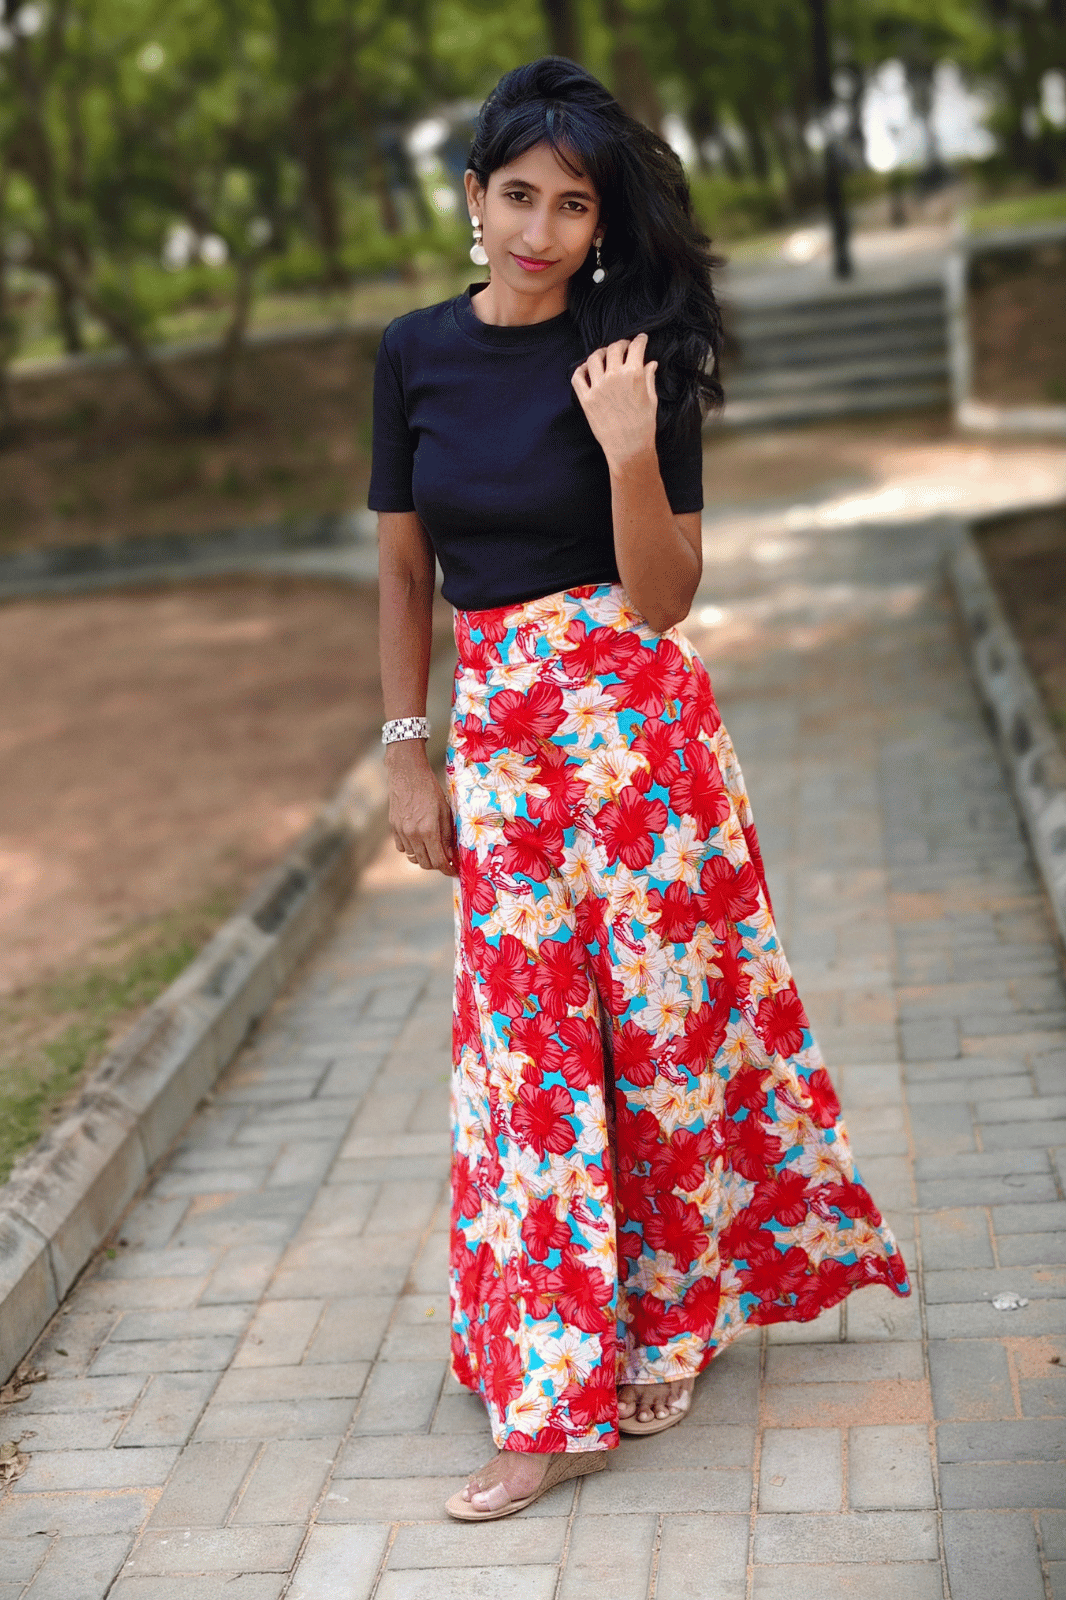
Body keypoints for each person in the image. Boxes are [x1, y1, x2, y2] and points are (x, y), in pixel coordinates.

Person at [368, 56, 911, 1523]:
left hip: (644, 748)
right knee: (529, 1061)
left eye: (571, 204)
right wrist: (403, 749)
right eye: (516, 196)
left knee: (664, 1038)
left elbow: (665, 597)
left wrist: (622, 447)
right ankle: (551, 1379)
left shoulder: (635, 353)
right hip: (503, 752)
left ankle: (670, 1317)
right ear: (472, 198)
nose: (538, 228)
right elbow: (407, 568)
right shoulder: (411, 351)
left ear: (600, 222)